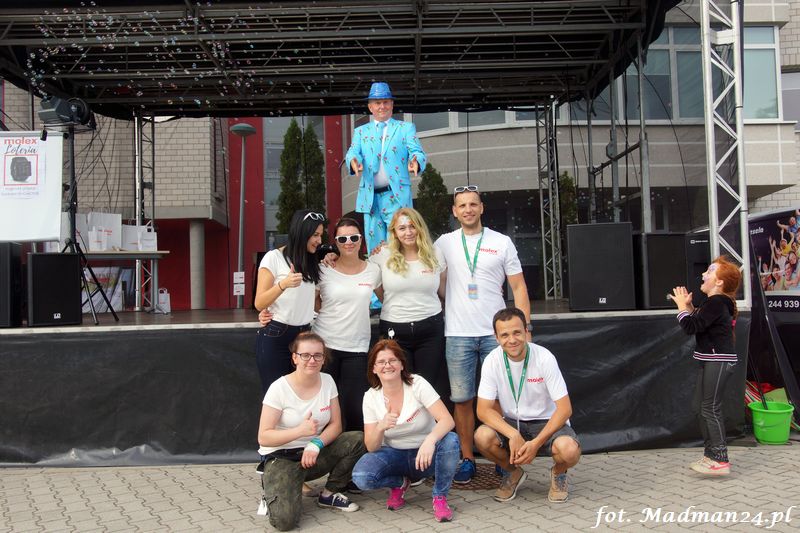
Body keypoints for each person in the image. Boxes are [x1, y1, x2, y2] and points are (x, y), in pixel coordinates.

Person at [434, 185, 531, 483]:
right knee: (462, 400)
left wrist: (525, 329)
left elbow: (519, 287)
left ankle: (501, 455)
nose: (468, 210)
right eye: (462, 205)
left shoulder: (501, 242)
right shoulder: (444, 243)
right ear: (455, 211)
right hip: (458, 333)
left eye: (473, 204)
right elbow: (431, 278)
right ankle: (467, 458)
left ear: (481, 208)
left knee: (500, 397)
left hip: (497, 335)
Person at [257, 332, 366, 531]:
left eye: (318, 355)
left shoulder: (328, 381)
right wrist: (299, 431)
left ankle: (329, 493)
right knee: (284, 522)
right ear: (295, 358)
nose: (312, 360)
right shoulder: (278, 388)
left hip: (313, 455)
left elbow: (336, 425)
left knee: (358, 439)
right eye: (305, 355)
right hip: (282, 458)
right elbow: (264, 436)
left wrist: (315, 444)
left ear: (324, 359)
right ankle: (275, 486)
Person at [473, 307, 581, 503]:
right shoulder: (492, 361)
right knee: (482, 437)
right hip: (513, 422)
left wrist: (536, 443)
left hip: (547, 422)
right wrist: (512, 434)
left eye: (517, 332)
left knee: (569, 450)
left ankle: (559, 473)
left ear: (526, 331)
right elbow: (483, 409)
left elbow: (565, 409)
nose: (512, 340)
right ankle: (513, 472)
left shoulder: (544, 357)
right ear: (496, 338)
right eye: (504, 335)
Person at [351, 339, 460, 523]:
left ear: (401, 364)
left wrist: (430, 440)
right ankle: (400, 483)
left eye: (392, 360)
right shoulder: (370, 397)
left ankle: (440, 497)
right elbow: (371, 446)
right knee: (361, 477)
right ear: (374, 369)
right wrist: (380, 426)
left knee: (451, 440)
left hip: (425, 455)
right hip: (394, 456)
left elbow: (447, 420)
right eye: (381, 362)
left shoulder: (417, 384)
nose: (387, 365)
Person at [668, 256, 742, 476]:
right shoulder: (714, 303)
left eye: (709, 271)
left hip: (719, 360)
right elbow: (701, 323)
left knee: (710, 408)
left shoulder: (717, 302)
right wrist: (689, 306)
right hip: (712, 359)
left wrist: (681, 307)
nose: (703, 274)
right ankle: (711, 456)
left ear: (719, 282)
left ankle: (720, 458)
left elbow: (691, 327)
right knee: (700, 407)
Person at [370, 207, 449, 398]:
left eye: (412, 226)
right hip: (394, 330)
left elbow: (444, 291)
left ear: (420, 227)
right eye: (402, 228)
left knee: (428, 386)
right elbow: (380, 292)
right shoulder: (382, 255)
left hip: (431, 329)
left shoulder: (435, 253)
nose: (408, 232)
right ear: (394, 232)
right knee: (399, 385)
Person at [311, 217, 381, 430]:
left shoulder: (374, 270)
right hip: (325, 346)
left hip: (357, 348)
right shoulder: (323, 269)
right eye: (342, 239)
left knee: (354, 409)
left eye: (354, 237)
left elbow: (388, 299)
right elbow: (313, 304)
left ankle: (354, 450)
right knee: (322, 409)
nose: (348, 242)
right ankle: (321, 449)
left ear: (361, 240)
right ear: (335, 242)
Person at [344, 82, 427, 258]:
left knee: (401, 243)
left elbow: (417, 151)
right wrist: (353, 161)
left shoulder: (404, 128)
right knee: (375, 249)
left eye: (385, 102)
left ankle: (401, 274)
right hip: (370, 197)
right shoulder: (361, 131)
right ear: (370, 107)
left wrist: (416, 161)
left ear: (392, 104)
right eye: (377, 102)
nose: (382, 106)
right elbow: (353, 152)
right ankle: (378, 276)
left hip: (395, 195)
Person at [254, 209, 325, 393]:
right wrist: (283, 284)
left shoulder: (312, 261)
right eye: (315, 235)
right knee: (277, 395)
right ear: (302, 232)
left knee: (301, 393)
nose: (319, 240)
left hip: (304, 335)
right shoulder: (274, 258)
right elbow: (259, 303)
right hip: (277, 335)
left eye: (320, 235)